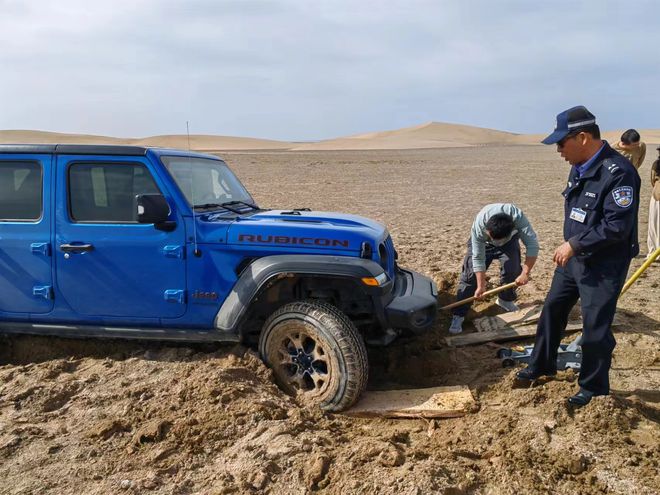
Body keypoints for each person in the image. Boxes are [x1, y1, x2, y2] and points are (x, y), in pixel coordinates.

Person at [516, 105, 641, 407]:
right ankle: (541, 364)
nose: (558, 149)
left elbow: (617, 227)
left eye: (562, 142)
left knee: (595, 328)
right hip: (574, 260)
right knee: (553, 311)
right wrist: (572, 247)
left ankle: (594, 387)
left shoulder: (619, 173)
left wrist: (574, 244)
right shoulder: (580, 166)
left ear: (583, 137)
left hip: (603, 264)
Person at [449, 203, 539, 334]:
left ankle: (505, 300)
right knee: (470, 277)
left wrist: (525, 273)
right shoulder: (480, 226)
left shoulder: (518, 219)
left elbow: (533, 245)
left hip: (509, 243)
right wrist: (481, 286)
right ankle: (459, 314)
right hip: (483, 243)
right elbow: (478, 258)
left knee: (513, 270)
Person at [649, 147, 660, 258]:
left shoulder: (656, 164)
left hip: (657, 196)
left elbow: (652, 180)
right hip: (657, 198)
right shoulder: (656, 164)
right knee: (655, 225)